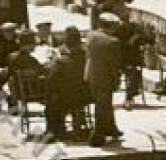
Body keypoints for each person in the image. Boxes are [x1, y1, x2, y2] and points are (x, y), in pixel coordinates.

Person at [44, 26, 91, 141]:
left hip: (67, 98)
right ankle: (79, 123)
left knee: (51, 101)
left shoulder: (61, 61)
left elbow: (51, 81)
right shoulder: (87, 58)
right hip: (86, 95)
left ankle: (54, 130)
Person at [85, 12, 124, 145]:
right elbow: (114, 65)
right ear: (112, 26)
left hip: (91, 75)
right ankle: (97, 136)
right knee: (103, 105)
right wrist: (116, 79)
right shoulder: (113, 42)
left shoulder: (91, 35)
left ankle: (112, 129)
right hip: (105, 77)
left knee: (103, 104)